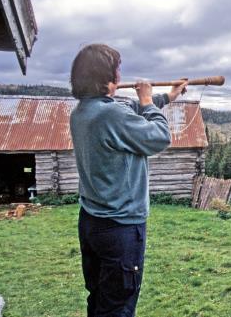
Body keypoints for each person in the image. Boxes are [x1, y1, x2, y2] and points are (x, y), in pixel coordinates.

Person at [69, 44, 187, 317]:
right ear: (107, 78)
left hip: (92, 222)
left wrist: (167, 97)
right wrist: (147, 101)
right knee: (118, 307)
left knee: (100, 298)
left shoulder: (84, 112)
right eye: (117, 69)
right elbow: (158, 137)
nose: (120, 75)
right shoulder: (111, 115)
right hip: (120, 227)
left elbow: (127, 109)